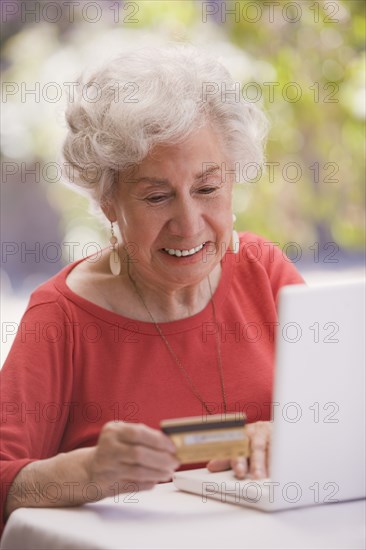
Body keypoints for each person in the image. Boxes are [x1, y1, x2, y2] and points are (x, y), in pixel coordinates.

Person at [0, 44, 304, 533]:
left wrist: (294, 435)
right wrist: (87, 473)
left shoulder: (264, 273)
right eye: (157, 196)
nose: (188, 225)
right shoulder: (61, 316)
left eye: (207, 189)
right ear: (108, 202)